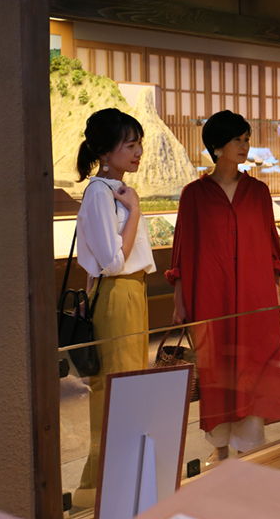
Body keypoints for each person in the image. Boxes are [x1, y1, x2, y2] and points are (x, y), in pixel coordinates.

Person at [167, 110, 280, 465]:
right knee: (216, 363)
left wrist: (277, 292)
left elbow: (271, 245)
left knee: (253, 360)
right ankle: (219, 442)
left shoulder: (258, 192)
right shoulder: (194, 195)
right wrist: (180, 302)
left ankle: (249, 442)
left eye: (246, 138)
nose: (244, 145)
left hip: (255, 292)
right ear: (216, 145)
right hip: (210, 292)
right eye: (237, 139)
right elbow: (182, 249)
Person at [72, 108, 156, 508]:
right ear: (107, 150)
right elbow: (112, 262)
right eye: (130, 143)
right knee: (117, 388)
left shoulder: (113, 190)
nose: (139, 151)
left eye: (139, 142)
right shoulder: (99, 193)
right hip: (119, 292)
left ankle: (117, 483)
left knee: (128, 385)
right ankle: (103, 487)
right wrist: (135, 210)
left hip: (130, 293)